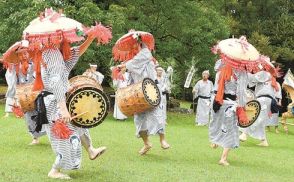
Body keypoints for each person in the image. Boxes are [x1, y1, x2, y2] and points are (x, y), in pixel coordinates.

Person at [40, 34, 106, 179]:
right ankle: (55, 170)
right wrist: (63, 108)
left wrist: (89, 39)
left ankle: (90, 150)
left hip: (58, 98)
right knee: (65, 134)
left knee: (79, 125)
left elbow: (74, 55)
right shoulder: (52, 53)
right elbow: (56, 82)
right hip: (55, 101)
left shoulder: (55, 51)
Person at [120, 43, 170, 155]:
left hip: (151, 89)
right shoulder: (131, 59)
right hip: (137, 93)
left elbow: (137, 61)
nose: (133, 47)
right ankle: (147, 143)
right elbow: (130, 72)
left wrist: (126, 65)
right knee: (139, 120)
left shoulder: (146, 54)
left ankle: (162, 140)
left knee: (158, 116)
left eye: (135, 44)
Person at [209, 60, 248, 166]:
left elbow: (216, 87)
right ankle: (223, 158)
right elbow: (241, 91)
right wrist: (242, 106)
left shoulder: (220, 69)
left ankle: (215, 141)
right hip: (230, 105)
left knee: (217, 125)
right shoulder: (240, 73)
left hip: (217, 101)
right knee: (230, 130)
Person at [239, 70, 278, 147]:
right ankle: (264, 140)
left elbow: (252, 78)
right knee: (260, 120)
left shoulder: (264, 73)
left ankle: (244, 134)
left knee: (253, 116)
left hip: (263, 99)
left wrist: (244, 71)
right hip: (267, 100)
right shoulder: (270, 76)